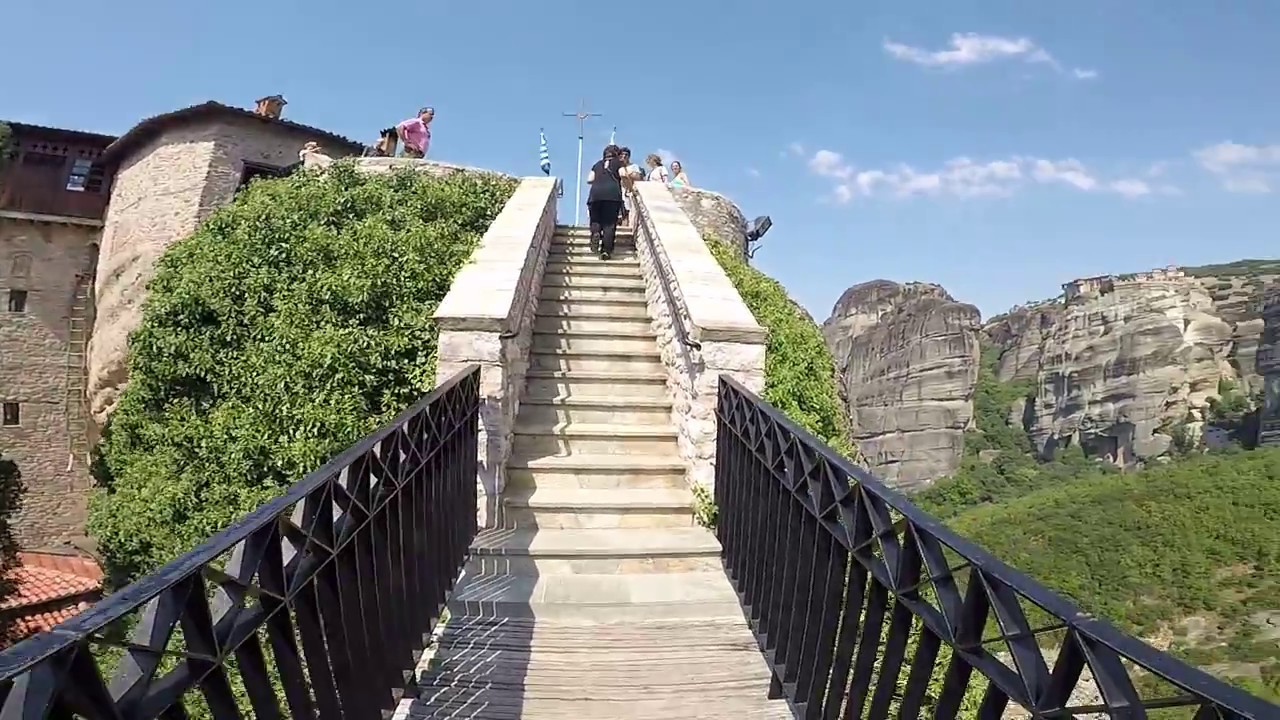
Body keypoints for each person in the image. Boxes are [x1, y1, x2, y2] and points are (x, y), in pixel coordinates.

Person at [586, 145, 624, 259]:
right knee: (609, 223)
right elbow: (622, 174)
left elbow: (589, 179)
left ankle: (596, 232)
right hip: (612, 195)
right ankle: (606, 251)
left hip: (595, 194)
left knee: (595, 219)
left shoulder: (597, 164)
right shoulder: (618, 163)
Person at [617, 147, 643, 227]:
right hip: (618, 192)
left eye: (626, 155)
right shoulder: (617, 167)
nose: (624, 156)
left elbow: (638, 177)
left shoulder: (634, 166)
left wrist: (626, 174)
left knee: (627, 212)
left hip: (629, 192)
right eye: (622, 155)